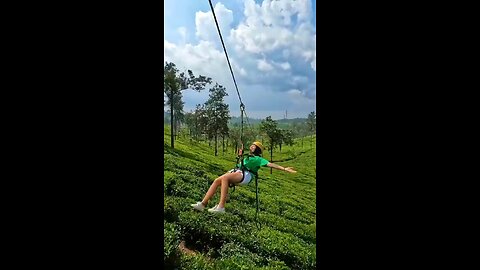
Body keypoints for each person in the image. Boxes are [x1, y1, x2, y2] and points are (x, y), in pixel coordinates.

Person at [191, 141, 297, 213]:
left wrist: (284, 169)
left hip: (246, 175)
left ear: (257, 149)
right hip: (238, 171)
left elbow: (270, 164)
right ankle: (203, 204)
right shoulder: (248, 157)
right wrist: (240, 155)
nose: (251, 146)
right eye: (251, 145)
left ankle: (221, 206)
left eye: (253, 146)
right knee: (217, 180)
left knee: (225, 179)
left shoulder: (259, 159)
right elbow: (241, 163)